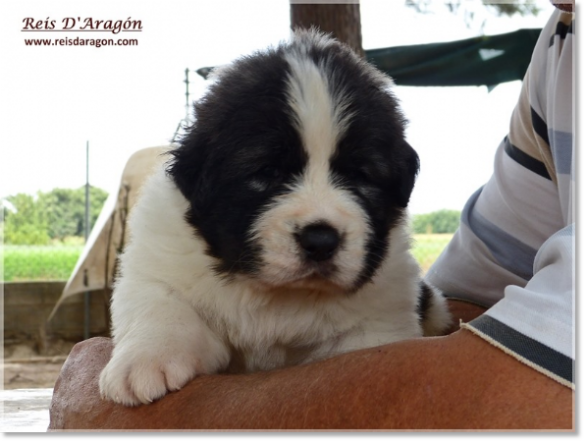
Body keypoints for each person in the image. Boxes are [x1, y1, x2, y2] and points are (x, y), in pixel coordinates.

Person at [48, 1, 574, 430]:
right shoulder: (563, 42)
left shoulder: (381, 279)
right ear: (199, 182)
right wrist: (163, 330)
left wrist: (167, 422)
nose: (322, 223)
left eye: (359, 176)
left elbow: (388, 369)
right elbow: (478, 296)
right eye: (269, 174)